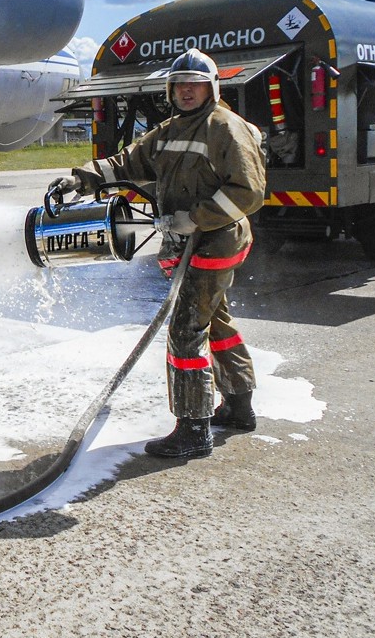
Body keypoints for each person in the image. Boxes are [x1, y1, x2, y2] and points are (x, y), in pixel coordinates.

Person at [50, 48, 266, 459]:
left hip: (215, 242)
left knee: (185, 330)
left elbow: (249, 191)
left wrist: (193, 219)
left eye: (195, 84)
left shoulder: (225, 129)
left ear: (211, 88)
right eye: (180, 85)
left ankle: (193, 429)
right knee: (215, 321)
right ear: (171, 90)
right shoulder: (170, 130)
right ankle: (239, 407)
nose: (186, 91)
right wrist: (80, 179)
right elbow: (128, 162)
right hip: (190, 242)